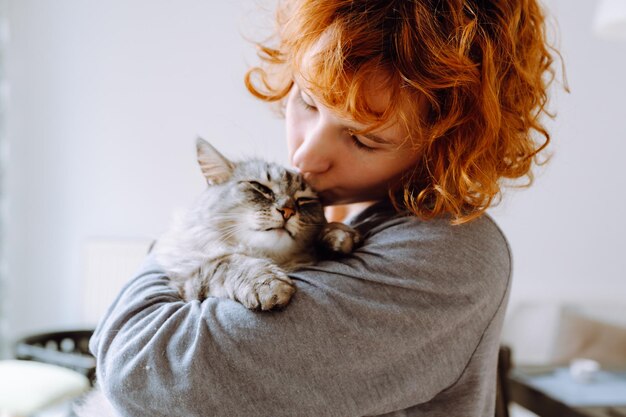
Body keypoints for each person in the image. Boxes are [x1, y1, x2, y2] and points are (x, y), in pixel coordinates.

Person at [90, 0, 560, 416]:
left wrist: (190, 235)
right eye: (307, 101)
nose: (305, 157)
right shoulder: (336, 212)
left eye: (362, 138)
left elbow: (142, 371)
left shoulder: (448, 250)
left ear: (442, 146)